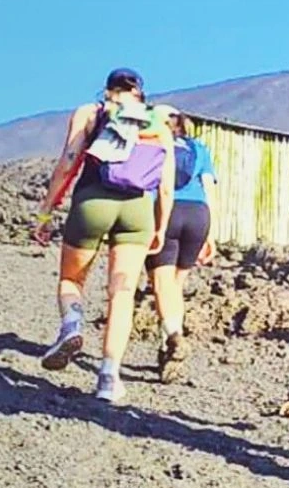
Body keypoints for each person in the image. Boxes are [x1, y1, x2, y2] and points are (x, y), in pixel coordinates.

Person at [32, 68, 175, 403]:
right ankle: (109, 377)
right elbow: (166, 187)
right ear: (140, 92)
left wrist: (46, 211)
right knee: (121, 294)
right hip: (137, 211)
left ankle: (71, 326)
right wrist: (160, 227)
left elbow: (68, 162)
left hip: (92, 202)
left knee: (71, 280)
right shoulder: (157, 122)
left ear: (108, 90)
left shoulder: (91, 112)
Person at [146, 108, 216, 383]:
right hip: (199, 214)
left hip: (166, 211)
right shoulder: (199, 148)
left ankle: (174, 336)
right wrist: (211, 233)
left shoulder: (154, 144)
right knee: (176, 285)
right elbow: (209, 188)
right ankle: (167, 353)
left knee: (161, 284)